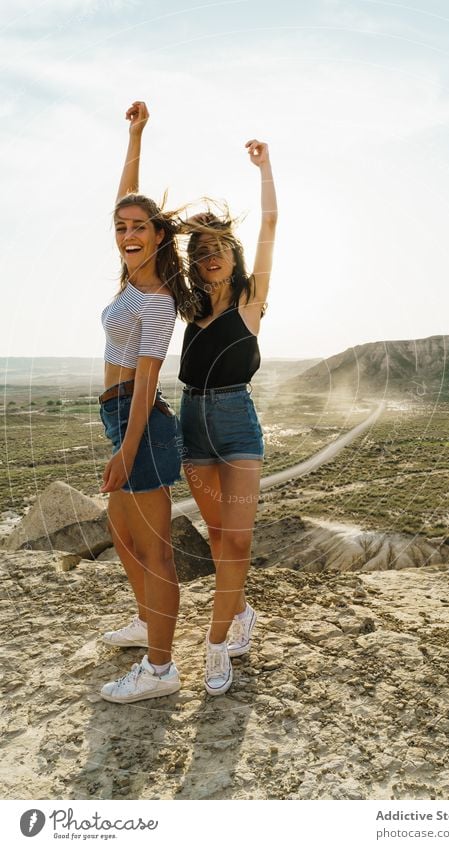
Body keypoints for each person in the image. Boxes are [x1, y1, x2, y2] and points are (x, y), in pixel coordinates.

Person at [125, 102, 277, 696]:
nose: (210, 253)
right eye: (202, 249)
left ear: (234, 255)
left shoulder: (251, 301)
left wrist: (264, 169)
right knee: (216, 538)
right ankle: (237, 612)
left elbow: (270, 226)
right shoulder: (188, 305)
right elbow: (139, 230)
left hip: (237, 423)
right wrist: (137, 135)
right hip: (193, 421)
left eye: (220, 246)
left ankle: (218, 648)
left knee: (237, 539)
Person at [98, 101, 192, 704]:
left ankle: (161, 668)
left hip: (142, 422)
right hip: (119, 413)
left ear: (159, 237)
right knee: (122, 533)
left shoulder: (156, 298)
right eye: (121, 228)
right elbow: (127, 193)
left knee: (155, 548)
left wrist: (127, 451)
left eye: (139, 228)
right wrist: (135, 135)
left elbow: (148, 382)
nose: (129, 235)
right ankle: (147, 622)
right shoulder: (130, 280)